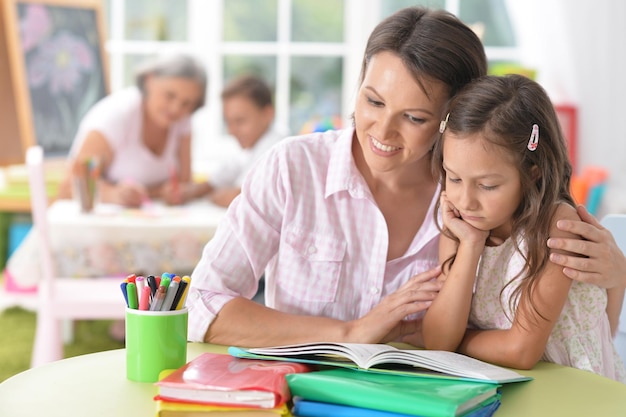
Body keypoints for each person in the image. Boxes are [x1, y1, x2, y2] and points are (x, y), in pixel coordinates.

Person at [186, 6, 626, 349]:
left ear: (453, 117)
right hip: (302, 395)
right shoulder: (291, 169)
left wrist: (615, 276)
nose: (381, 131)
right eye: (373, 101)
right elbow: (203, 305)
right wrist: (351, 332)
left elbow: (577, 336)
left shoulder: (478, 197)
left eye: (413, 117)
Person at [422, 74, 625, 382]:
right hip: (499, 383)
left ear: (532, 174)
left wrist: (459, 341)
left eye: (487, 185)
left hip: (574, 387)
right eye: (454, 177)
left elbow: (521, 351)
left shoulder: (555, 227)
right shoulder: (462, 224)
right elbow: (438, 341)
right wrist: (471, 245)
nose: (466, 200)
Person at [57, 53, 208, 207]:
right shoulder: (115, 115)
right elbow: (71, 186)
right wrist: (113, 194)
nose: (176, 108)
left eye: (187, 103)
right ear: (149, 80)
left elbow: (184, 182)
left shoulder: (183, 120)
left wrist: (177, 192)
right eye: (169, 96)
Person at [197, 74, 286, 207]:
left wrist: (218, 195)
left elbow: (237, 197)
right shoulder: (249, 151)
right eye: (228, 122)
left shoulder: (276, 150)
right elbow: (219, 177)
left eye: (239, 121)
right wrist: (193, 191)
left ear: (268, 114)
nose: (231, 131)